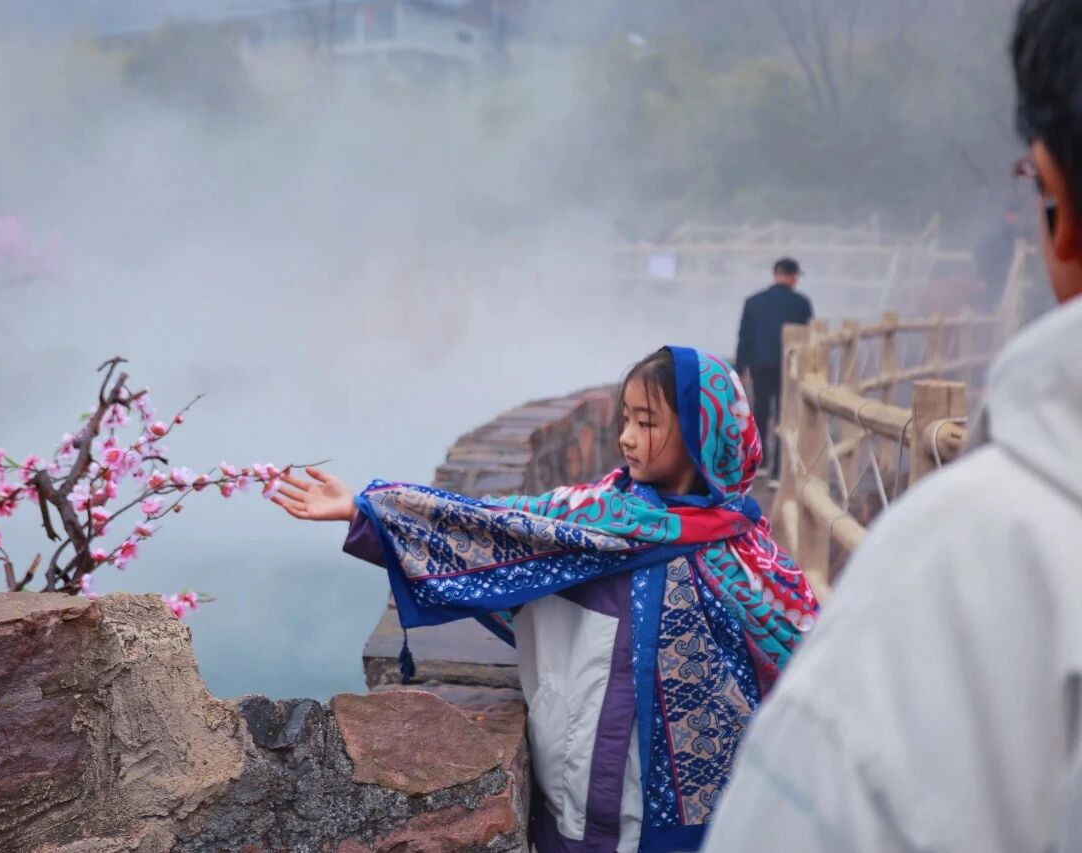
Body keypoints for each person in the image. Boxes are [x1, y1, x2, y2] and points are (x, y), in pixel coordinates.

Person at [702, 2, 1082, 850]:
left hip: (770, 379)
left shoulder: (949, 574)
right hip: (782, 370)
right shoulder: (797, 302)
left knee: (776, 417)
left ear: (1053, 193)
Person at [273, 346, 819, 852]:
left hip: (710, 808)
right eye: (625, 419)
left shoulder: (749, 553)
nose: (627, 437)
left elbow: (802, 657)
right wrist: (367, 511)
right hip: (592, 789)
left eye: (647, 423)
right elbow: (492, 528)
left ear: (704, 435)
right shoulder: (598, 519)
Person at [734, 258, 814, 481]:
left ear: (775, 274)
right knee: (784, 415)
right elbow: (809, 339)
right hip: (788, 367)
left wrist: (741, 368)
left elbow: (744, 337)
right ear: (793, 276)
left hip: (759, 365)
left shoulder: (753, 302)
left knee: (760, 411)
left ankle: (760, 462)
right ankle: (778, 470)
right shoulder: (801, 303)